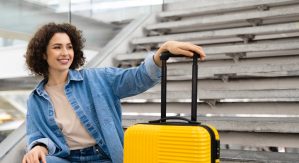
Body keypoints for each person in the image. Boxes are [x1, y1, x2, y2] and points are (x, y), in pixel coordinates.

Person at [22, 22, 206, 163]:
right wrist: (39, 147)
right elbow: (37, 136)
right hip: (67, 158)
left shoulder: (97, 79)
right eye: (57, 47)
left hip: (103, 156)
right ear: (43, 54)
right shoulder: (36, 99)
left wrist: (161, 52)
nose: (65, 52)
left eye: (69, 46)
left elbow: (138, 78)